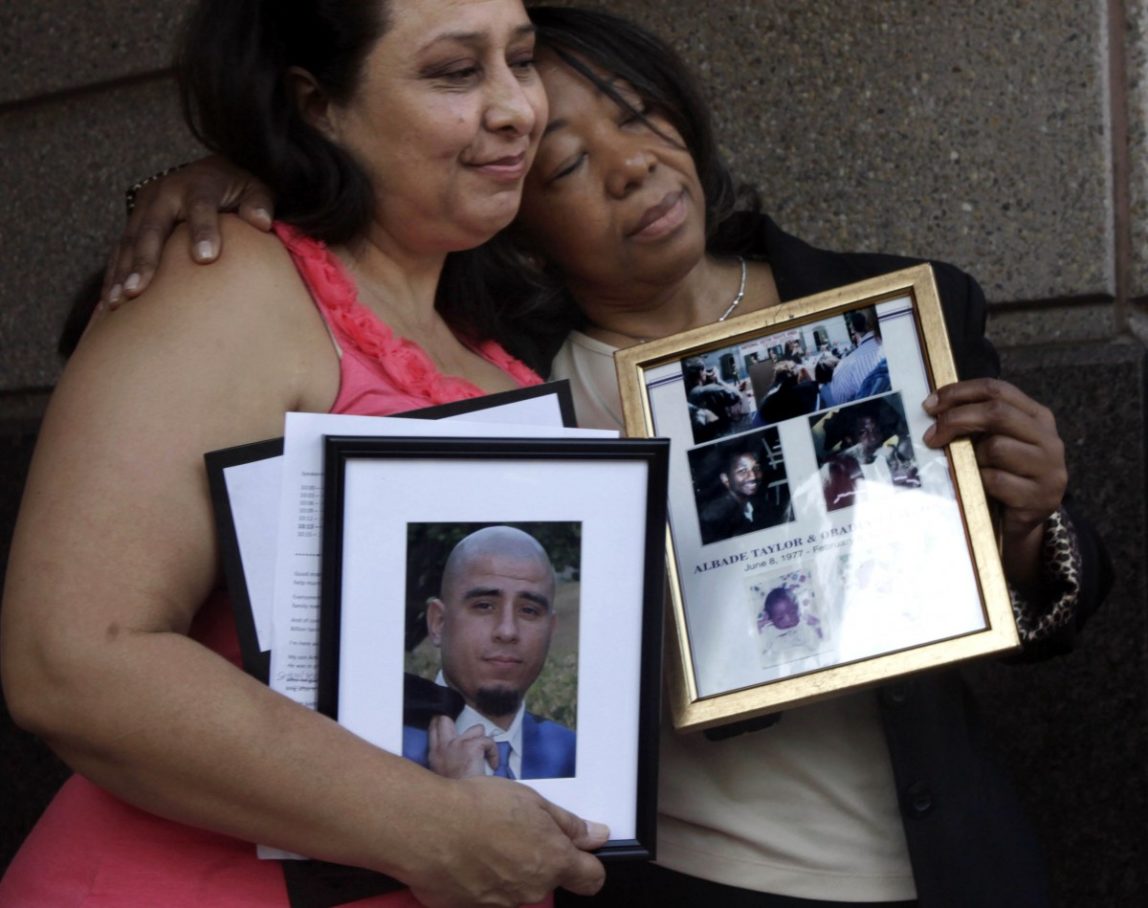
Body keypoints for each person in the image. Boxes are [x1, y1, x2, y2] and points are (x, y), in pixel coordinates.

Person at [98, 6, 1113, 907]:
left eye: (635, 116)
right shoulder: (500, 384)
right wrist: (221, 181)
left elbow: (1044, 600)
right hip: (674, 881)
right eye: (566, 167)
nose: (630, 165)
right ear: (513, 206)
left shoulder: (899, 308)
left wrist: (1026, 525)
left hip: (946, 859)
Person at [0, 2, 612, 907]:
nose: (517, 107)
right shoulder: (231, 282)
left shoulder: (492, 340)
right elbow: (73, 659)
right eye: (454, 72)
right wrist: (432, 826)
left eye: (520, 60)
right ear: (316, 103)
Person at [403, 526, 576, 781]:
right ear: (438, 623)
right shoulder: (381, 746)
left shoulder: (573, 754)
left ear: (550, 631)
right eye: (484, 606)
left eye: (528, 611)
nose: (507, 631)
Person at [697, 446, 792, 544]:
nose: (753, 476)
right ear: (725, 479)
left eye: (756, 468)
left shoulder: (758, 505)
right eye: (742, 471)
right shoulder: (716, 518)